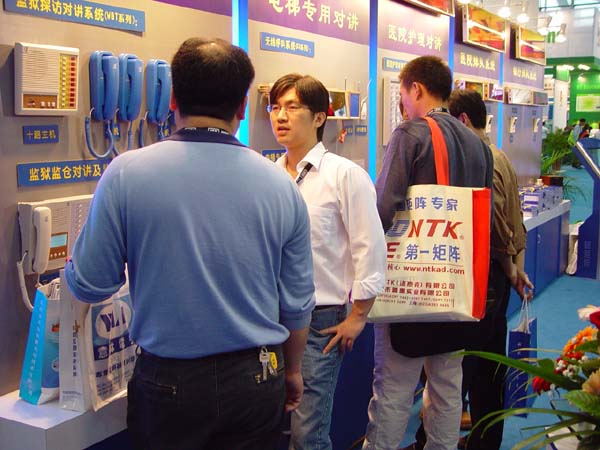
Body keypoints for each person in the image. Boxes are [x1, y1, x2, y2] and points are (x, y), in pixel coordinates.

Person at [64, 38, 316, 450]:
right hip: (255, 379)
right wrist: (292, 370)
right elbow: (298, 301)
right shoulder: (281, 185)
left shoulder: (125, 173)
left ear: (172, 99)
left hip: (167, 383)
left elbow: (90, 284)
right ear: (242, 107)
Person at [362, 56, 494, 450]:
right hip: (456, 288)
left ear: (415, 89)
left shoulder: (411, 133)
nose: (402, 104)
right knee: (448, 390)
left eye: (402, 95)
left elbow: (382, 208)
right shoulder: (479, 144)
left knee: (393, 391)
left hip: (411, 289)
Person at [267, 73, 387, 450]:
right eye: (275, 107)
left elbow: (370, 246)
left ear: (319, 117)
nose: (280, 116)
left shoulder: (344, 175)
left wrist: (358, 315)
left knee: (308, 430)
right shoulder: (268, 176)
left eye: (292, 107)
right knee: (270, 424)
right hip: (268, 317)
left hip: (321, 318)